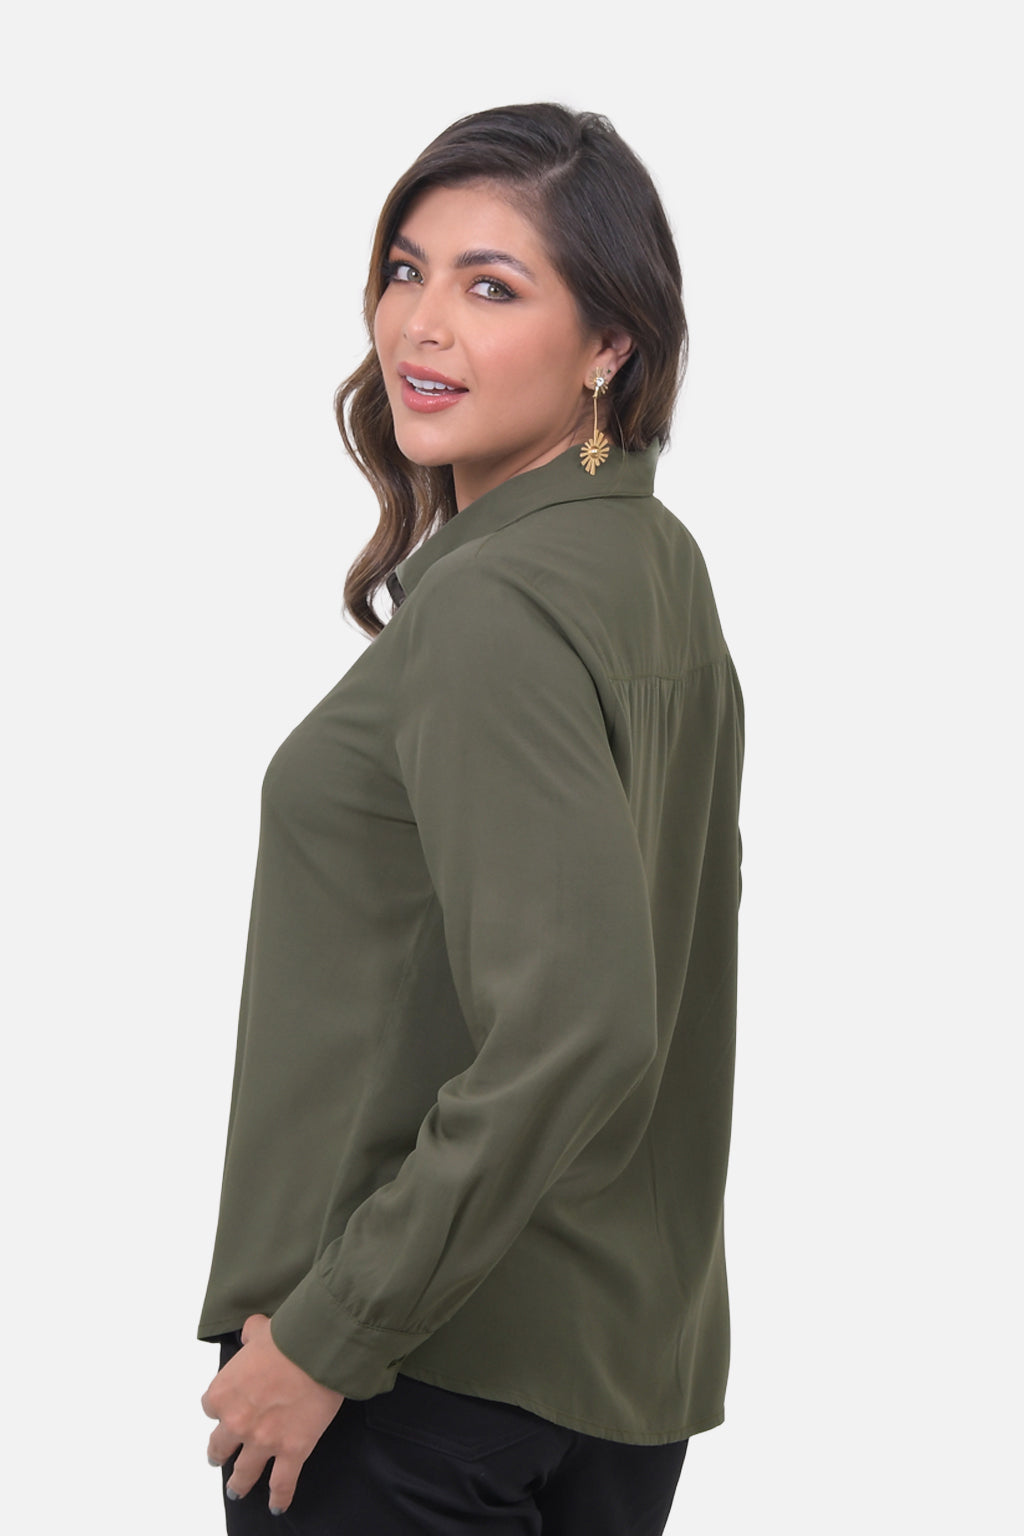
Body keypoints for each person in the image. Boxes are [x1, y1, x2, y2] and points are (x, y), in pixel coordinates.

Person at [198, 102, 744, 1536]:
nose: (421, 326)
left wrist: (328, 1335)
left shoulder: (495, 603)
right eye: (406, 270)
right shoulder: (652, 561)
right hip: (614, 1380)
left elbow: (581, 1020)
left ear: (608, 343)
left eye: (492, 287)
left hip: (407, 1384)